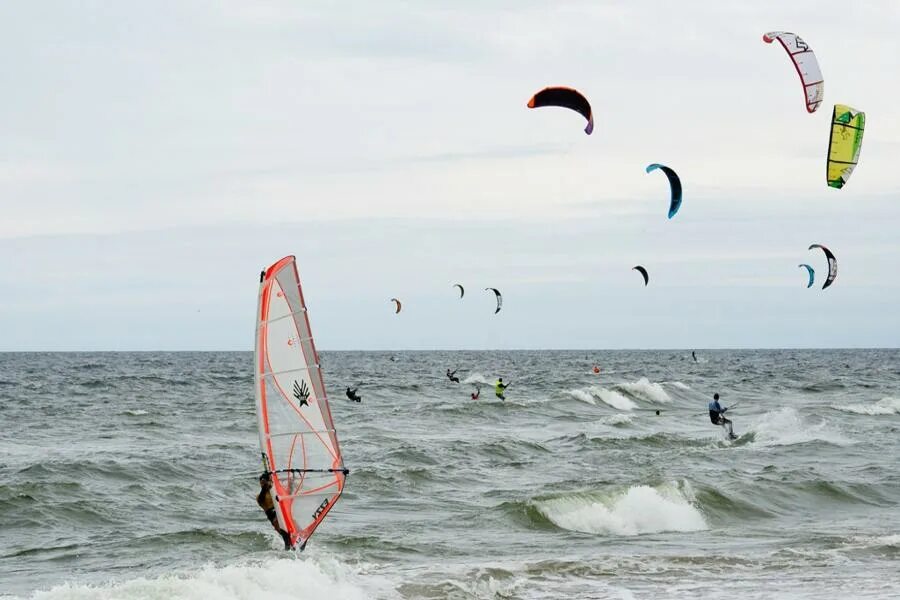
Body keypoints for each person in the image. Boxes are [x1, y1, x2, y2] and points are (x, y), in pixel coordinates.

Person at [257, 473, 294, 550]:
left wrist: (291, 483)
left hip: (284, 516)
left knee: (294, 532)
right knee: (286, 537)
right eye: (261, 483)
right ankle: (288, 554)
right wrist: (265, 486)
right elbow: (261, 499)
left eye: (263, 483)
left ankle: (296, 547)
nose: (261, 485)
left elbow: (288, 494)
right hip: (275, 520)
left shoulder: (275, 491)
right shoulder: (260, 497)